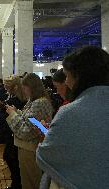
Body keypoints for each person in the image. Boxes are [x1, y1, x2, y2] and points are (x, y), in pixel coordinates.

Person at [37, 46, 109, 189]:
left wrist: (49, 135)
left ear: (80, 77)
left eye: (68, 76)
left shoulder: (70, 112)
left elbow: (46, 154)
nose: (67, 82)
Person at [5, 73, 53, 189]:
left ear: (31, 87)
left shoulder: (39, 103)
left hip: (30, 148)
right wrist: (17, 112)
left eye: (25, 88)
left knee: (31, 182)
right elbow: (32, 121)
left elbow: (26, 132)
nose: (24, 91)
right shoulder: (34, 100)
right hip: (28, 148)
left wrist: (12, 114)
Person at [0, 76, 26, 189]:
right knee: (11, 159)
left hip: (19, 135)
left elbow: (30, 121)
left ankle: (17, 185)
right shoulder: (26, 100)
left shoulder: (39, 102)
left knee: (13, 160)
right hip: (17, 133)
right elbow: (25, 116)